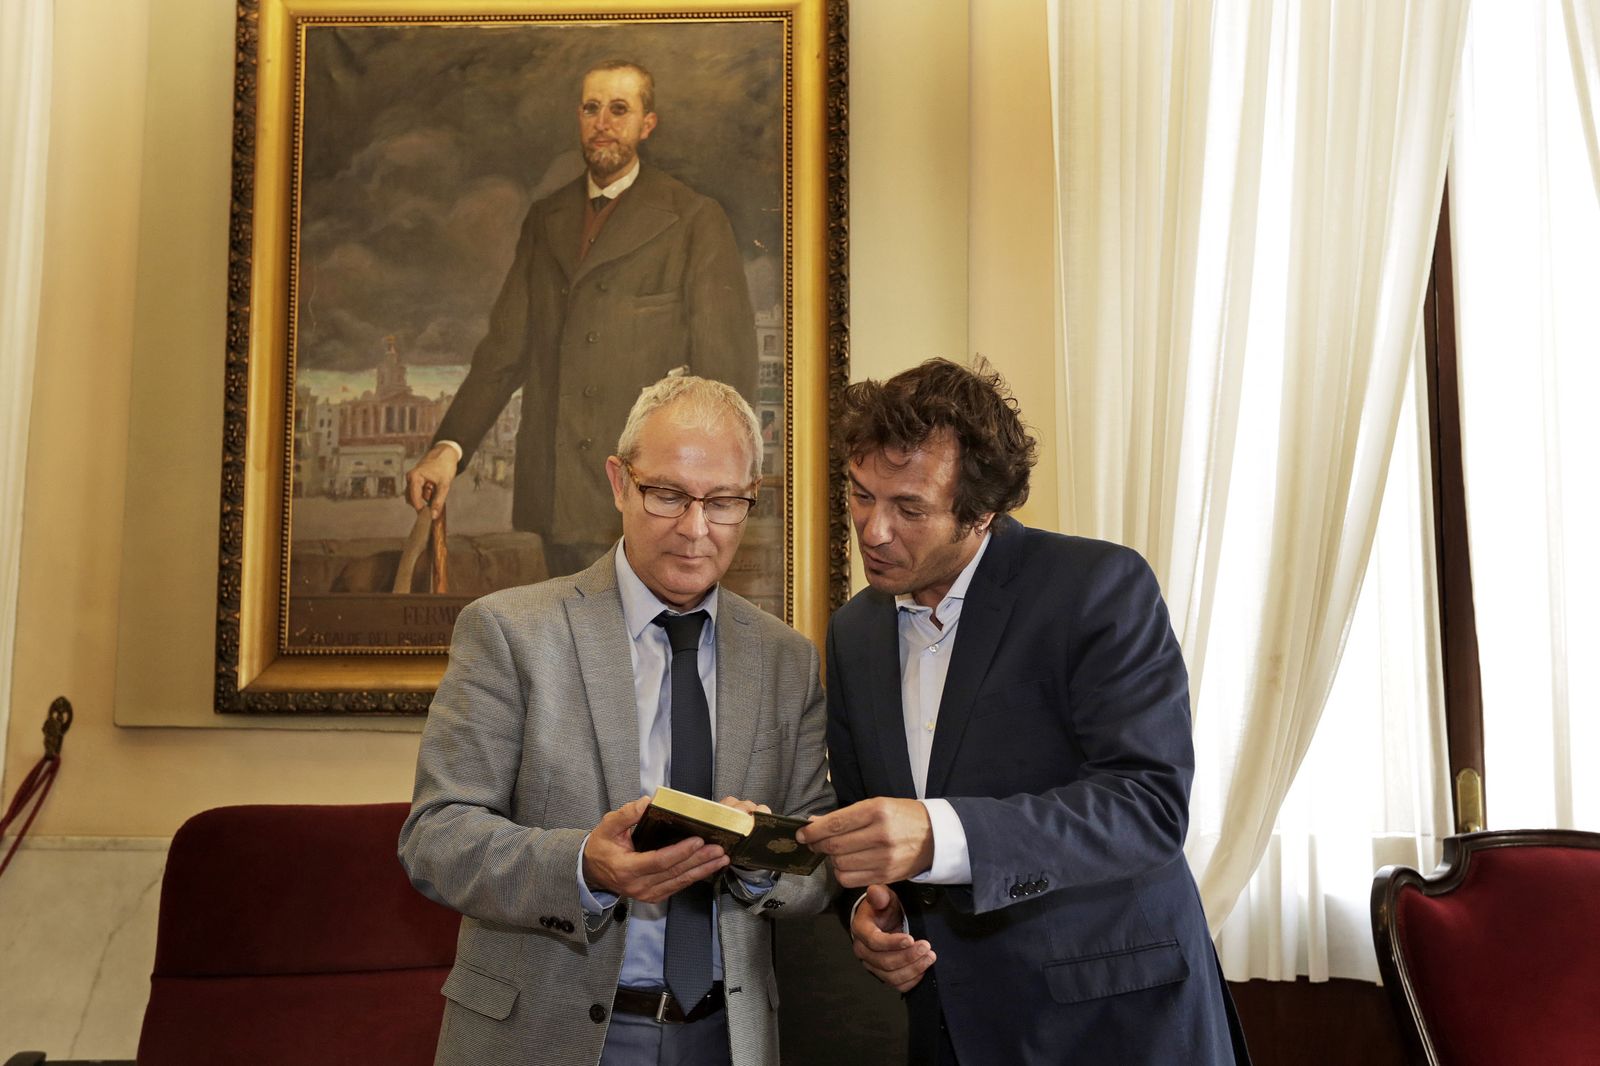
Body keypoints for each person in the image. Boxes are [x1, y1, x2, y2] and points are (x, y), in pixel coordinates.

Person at [796, 359, 1250, 1065]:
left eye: (909, 509)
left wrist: (939, 835)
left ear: (981, 512)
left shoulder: (1097, 586)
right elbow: (867, 819)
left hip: (1115, 1026)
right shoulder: (854, 634)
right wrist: (870, 909)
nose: (873, 530)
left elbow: (1148, 806)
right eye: (861, 494)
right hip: (953, 1028)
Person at [400, 374, 832, 1066]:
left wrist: (758, 860)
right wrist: (583, 866)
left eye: (724, 502)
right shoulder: (511, 632)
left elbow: (818, 865)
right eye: (668, 495)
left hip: (725, 1038)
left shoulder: (787, 660)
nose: (696, 529)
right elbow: (436, 837)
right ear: (618, 483)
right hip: (542, 1037)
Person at [404, 60, 758, 577]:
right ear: (578, 117)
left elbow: (726, 378)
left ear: (647, 124)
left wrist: (705, 500)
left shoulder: (694, 218)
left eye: (619, 109)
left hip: (652, 499)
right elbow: (503, 352)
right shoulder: (545, 218)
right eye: (592, 108)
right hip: (557, 495)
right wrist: (448, 449)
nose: (603, 122)